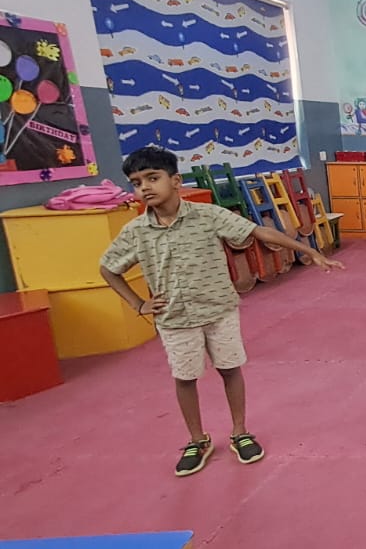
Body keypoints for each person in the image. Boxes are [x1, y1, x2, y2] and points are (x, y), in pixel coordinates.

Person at [99, 147, 344, 477]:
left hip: (219, 311)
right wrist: (137, 304)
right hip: (175, 319)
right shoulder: (136, 231)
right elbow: (108, 268)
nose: (144, 187)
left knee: (230, 369)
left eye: (152, 178)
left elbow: (258, 231)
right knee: (185, 378)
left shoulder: (208, 215)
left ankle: (240, 432)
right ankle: (197, 440)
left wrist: (308, 251)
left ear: (175, 181)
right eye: (136, 182)